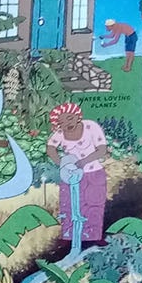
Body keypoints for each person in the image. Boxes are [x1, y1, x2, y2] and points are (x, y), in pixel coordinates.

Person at [48, 100, 109, 255]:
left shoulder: (91, 127)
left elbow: (102, 149)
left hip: (93, 172)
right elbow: (50, 148)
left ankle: (94, 237)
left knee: (94, 204)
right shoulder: (60, 133)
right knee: (69, 205)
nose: (67, 123)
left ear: (77, 116)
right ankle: (68, 239)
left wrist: (84, 162)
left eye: (69, 118)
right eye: (62, 122)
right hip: (70, 175)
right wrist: (61, 163)